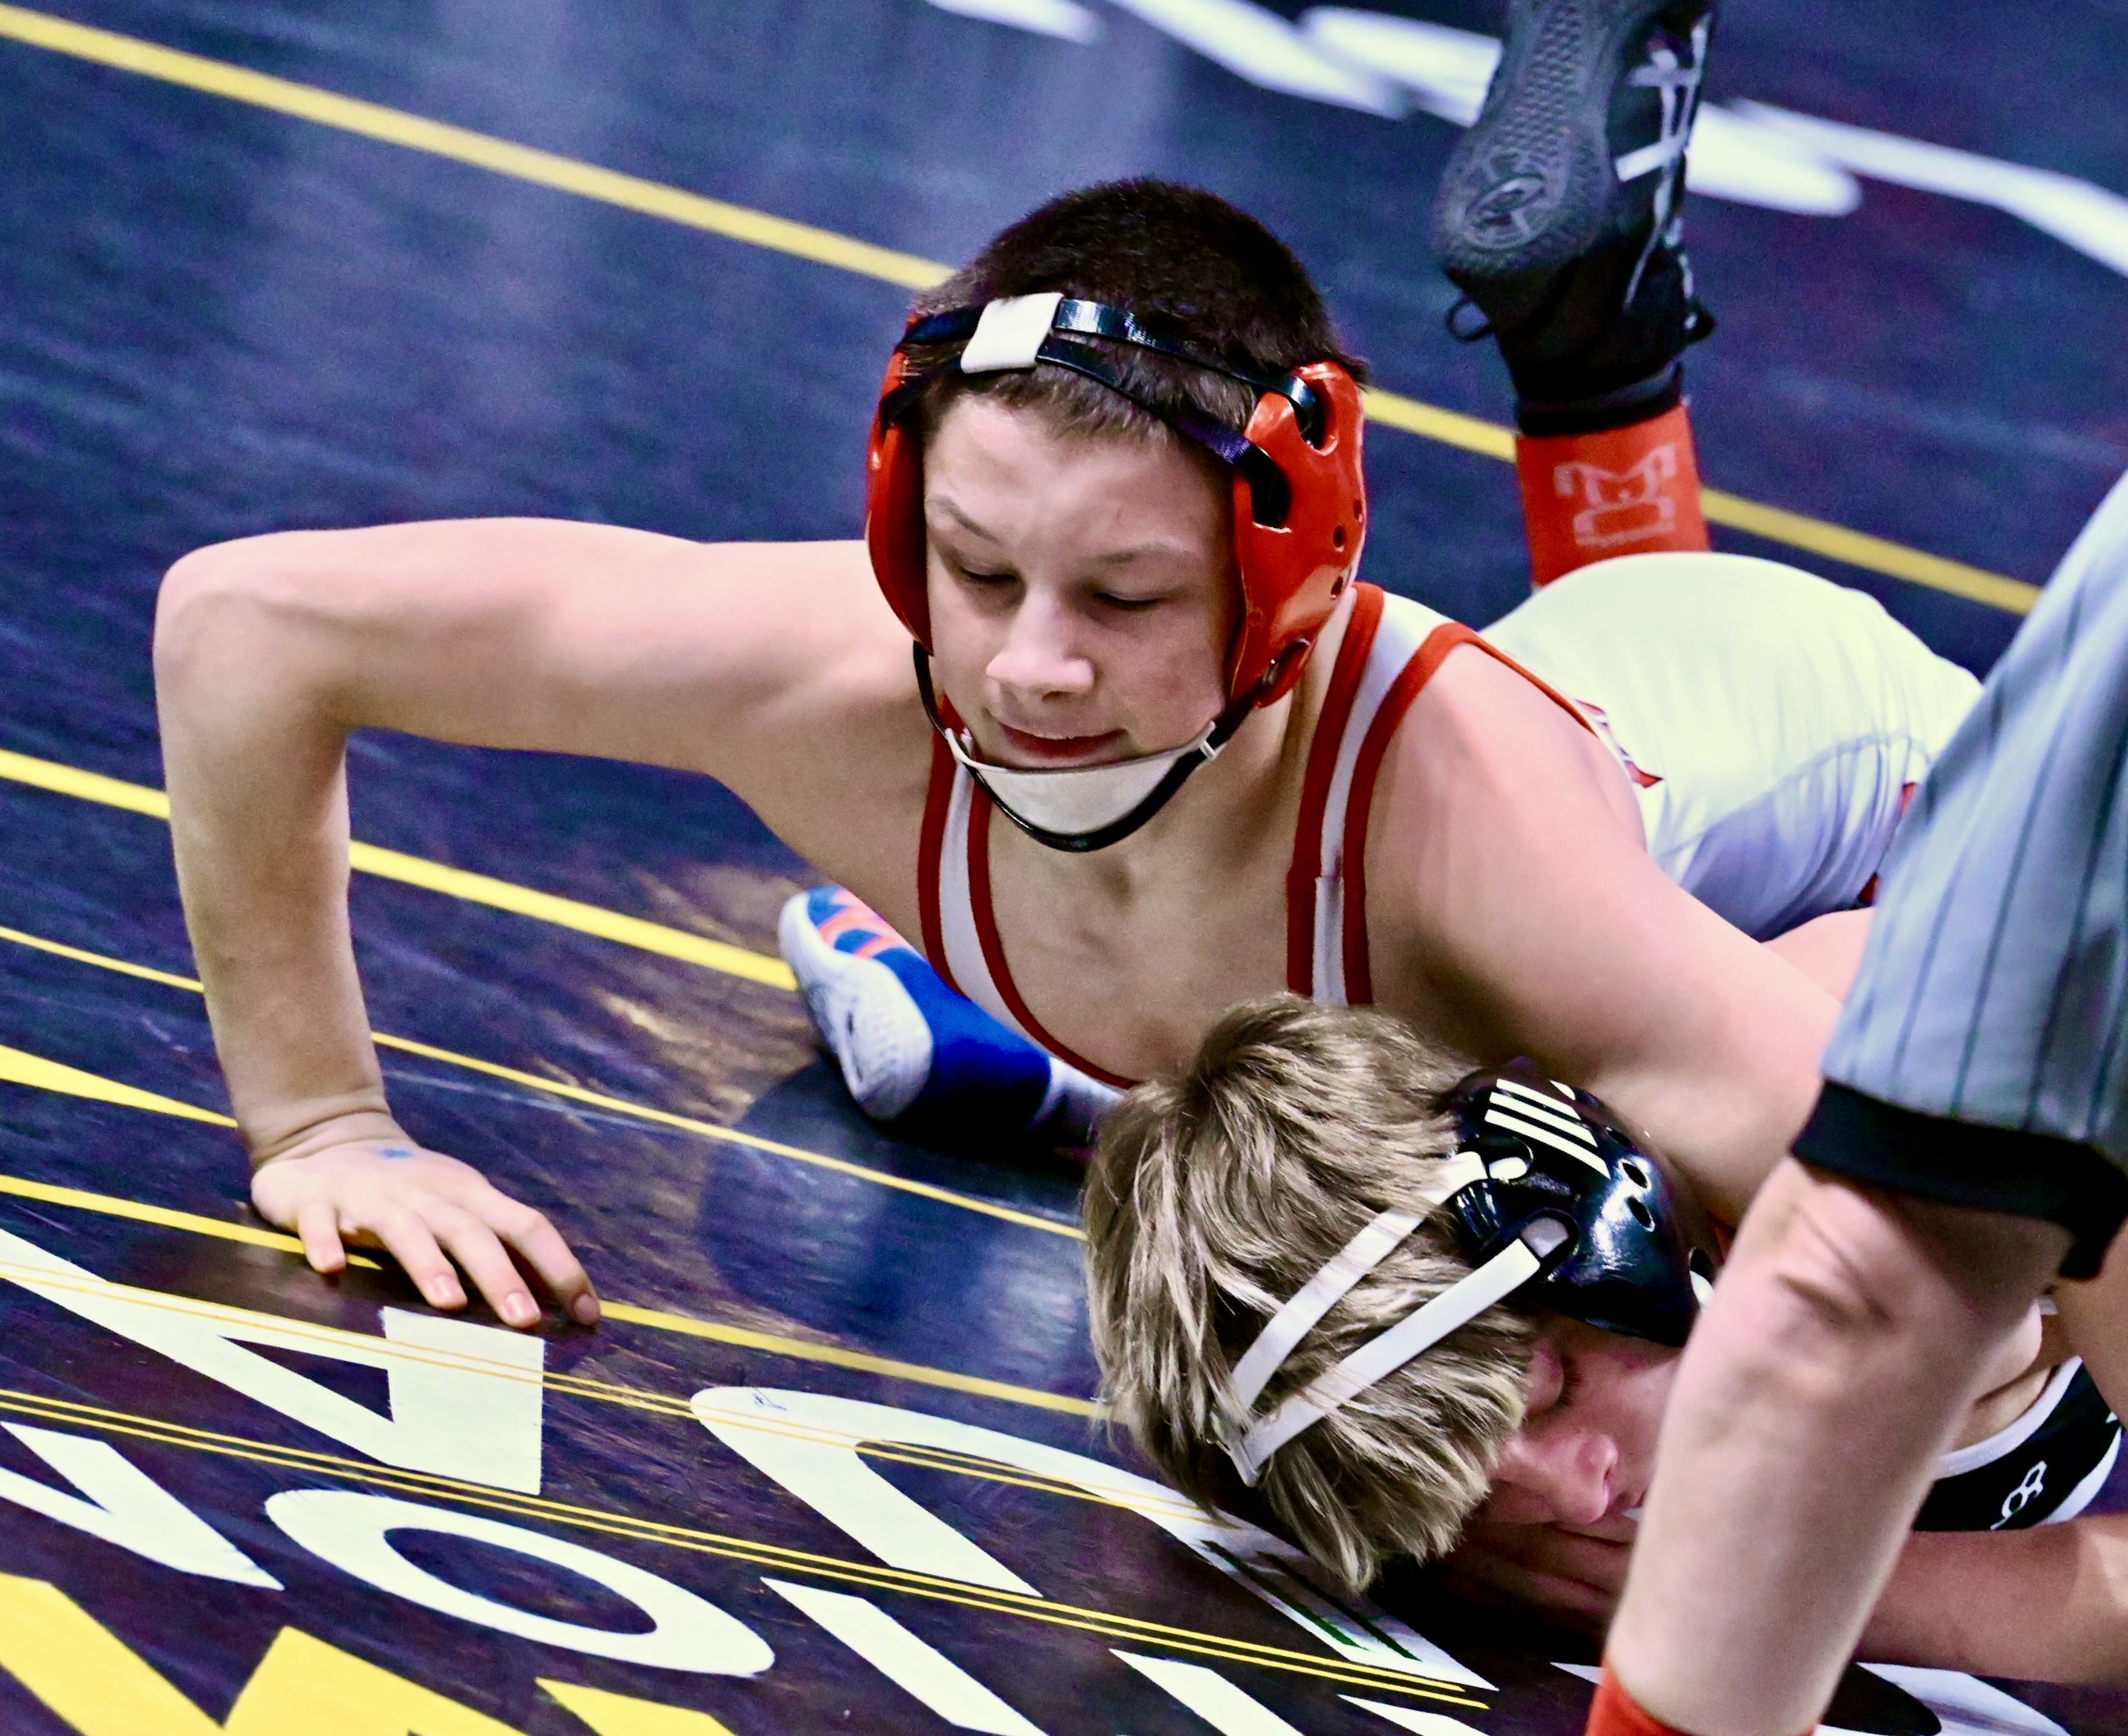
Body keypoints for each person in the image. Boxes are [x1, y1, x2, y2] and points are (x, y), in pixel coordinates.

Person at [151, 0, 1940, 1332]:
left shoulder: (1477, 837)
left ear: (1289, 587)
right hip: (1603, 741)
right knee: (1329, 1149)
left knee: (1693, 1205)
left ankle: (1600, 366)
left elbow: (1971, 1217)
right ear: (894, 506)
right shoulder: (818, 671)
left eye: (1127, 599)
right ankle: (1593, 334)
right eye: (976, 565)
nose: (1029, 669)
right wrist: (325, 1125)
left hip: (1872, 801)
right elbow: (248, 627)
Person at [1081, 993, 2128, 1685]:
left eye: (1551, 1394)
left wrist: (1775, 1587)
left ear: (1611, 1228)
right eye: (1483, 1496)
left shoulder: (1936, 1135)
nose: (1579, 1502)